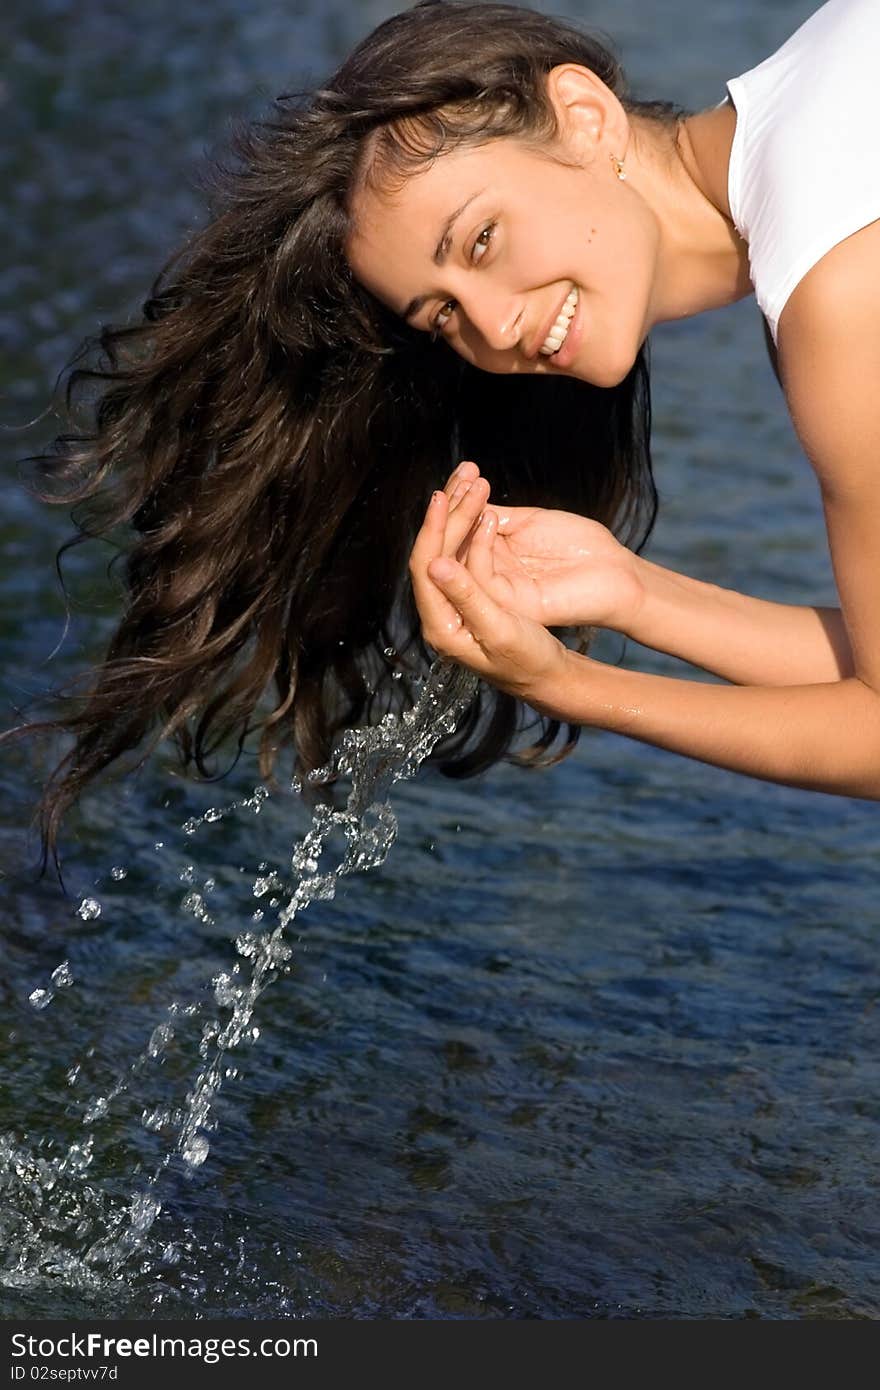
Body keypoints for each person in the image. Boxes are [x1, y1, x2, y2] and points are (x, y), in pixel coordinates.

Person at [4, 0, 876, 882]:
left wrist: (570, 688)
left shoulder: (837, 289)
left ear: (584, 117)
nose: (495, 326)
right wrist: (632, 595)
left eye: (484, 238)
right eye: (444, 313)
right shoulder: (818, 100)